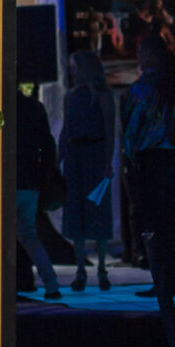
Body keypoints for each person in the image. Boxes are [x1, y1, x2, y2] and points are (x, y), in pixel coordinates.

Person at [123, 33, 175, 307]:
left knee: (153, 221)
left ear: (151, 55)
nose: (138, 56)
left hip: (150, 159)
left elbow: (132, 128)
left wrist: (128, 157)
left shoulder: (143, 87)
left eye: (141, 51)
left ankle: (162, 282)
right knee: (174, 218)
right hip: (173, 158)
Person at [59, 49, 118, 291]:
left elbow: (109, 130)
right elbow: (66, 130)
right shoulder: (70, 96)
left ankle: (102, 268)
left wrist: (108, 161)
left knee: (98, 210)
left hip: (94, 155)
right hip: (75, 157)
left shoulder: (102, 95)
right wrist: (58, 159)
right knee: (76, 212)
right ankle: (81, 269)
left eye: (76, 67)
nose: (73, 72)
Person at [14, 87, 63, 300]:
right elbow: (48, 145)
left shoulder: (2, 108)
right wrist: (45, 176)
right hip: (31, 181)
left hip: (9, 179)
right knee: (29, 234)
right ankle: (51, 284)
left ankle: (2, 286)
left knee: (1, 235)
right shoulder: (35, 107)